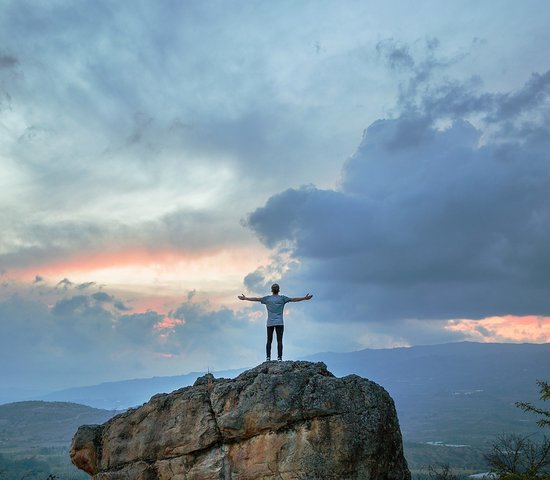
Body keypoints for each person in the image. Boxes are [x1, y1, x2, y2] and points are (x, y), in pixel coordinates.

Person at [238, 283, 313, 362]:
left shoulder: (267, 299)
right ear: (279, 290)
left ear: (271, 290)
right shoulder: (282, 298)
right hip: (280, 322)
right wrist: (304, 298)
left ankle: (268, 358)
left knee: (269, 340)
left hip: (270, 323)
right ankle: (279, 358)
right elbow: (294, 299)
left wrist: (245, 298)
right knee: (279, 340)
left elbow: (256, 299)